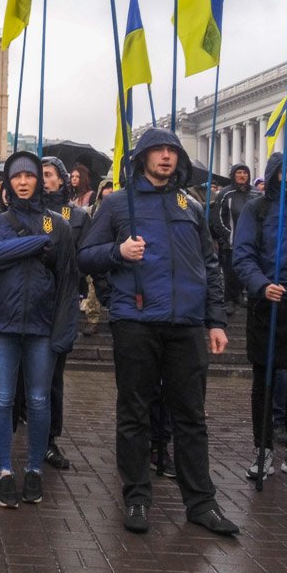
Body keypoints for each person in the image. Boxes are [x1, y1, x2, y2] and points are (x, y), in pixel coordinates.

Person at [78, 128, 238, 536]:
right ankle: (136, 497)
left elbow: (210, 264)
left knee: (191, 417)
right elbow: (85, 257)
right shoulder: (117, 204)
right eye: (157, 151)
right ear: (143, 158)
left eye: (172, 150)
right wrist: (119, 252)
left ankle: (201, 502)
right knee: (134, 414)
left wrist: (215, 320)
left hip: (185, 326)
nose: (166, 157)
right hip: (136, 323)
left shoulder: (191, 204)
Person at [0, 151, 79, 509]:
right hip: (1, 325)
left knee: (38, 399)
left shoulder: (58, 225)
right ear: (7, 183)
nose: (22, 182)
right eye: (15, 177)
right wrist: (34, 244)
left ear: (39, 181)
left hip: (42, 326)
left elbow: (69, 280)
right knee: (2, 399)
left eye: (30, 176)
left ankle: (34, 468)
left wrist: (65, 331)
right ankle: (5, 470)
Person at [231, 153, 287, 483]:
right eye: (286, 172)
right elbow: (243, 255)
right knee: (265, 380)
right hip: (269, 303)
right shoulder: (258, 209)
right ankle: (263, 447)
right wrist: (261, 284)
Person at [37, 157, 88, 470]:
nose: (43, 180)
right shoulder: (25, 212)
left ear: (62, 180)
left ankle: (49, 440)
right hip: (27, 301)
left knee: (53, 377)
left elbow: (84, 255)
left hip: (61, 300)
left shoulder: (76, 216)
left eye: (48, 174)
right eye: (38, 174)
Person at [213, 163, 254, 312]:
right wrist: (227, 235)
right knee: (230, 271)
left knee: (246, 269)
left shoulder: (255, 194)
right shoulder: (225, 194)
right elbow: (217, 218)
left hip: (250, 241)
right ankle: (229, 298)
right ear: (233, 175)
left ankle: (241, 295)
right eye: (239, 173)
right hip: (231, 242)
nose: (242, 175)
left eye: (245, 173)